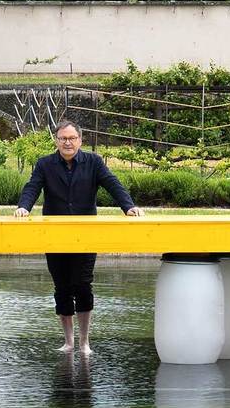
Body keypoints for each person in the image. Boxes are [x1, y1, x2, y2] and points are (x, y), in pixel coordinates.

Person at [15, 121, 143, 354]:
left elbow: (112, 184)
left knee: (82, 285)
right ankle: (69, 341)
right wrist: (24, 207)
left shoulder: (93, 162)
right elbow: (32, 187)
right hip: (55, 236)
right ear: (56, 140)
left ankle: (84, 342)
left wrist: (128, 207)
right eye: (63, 138)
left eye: (72, 138)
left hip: (85, 235)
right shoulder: (45, 164)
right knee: (62, 287)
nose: (67, 142)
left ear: (80, 140)